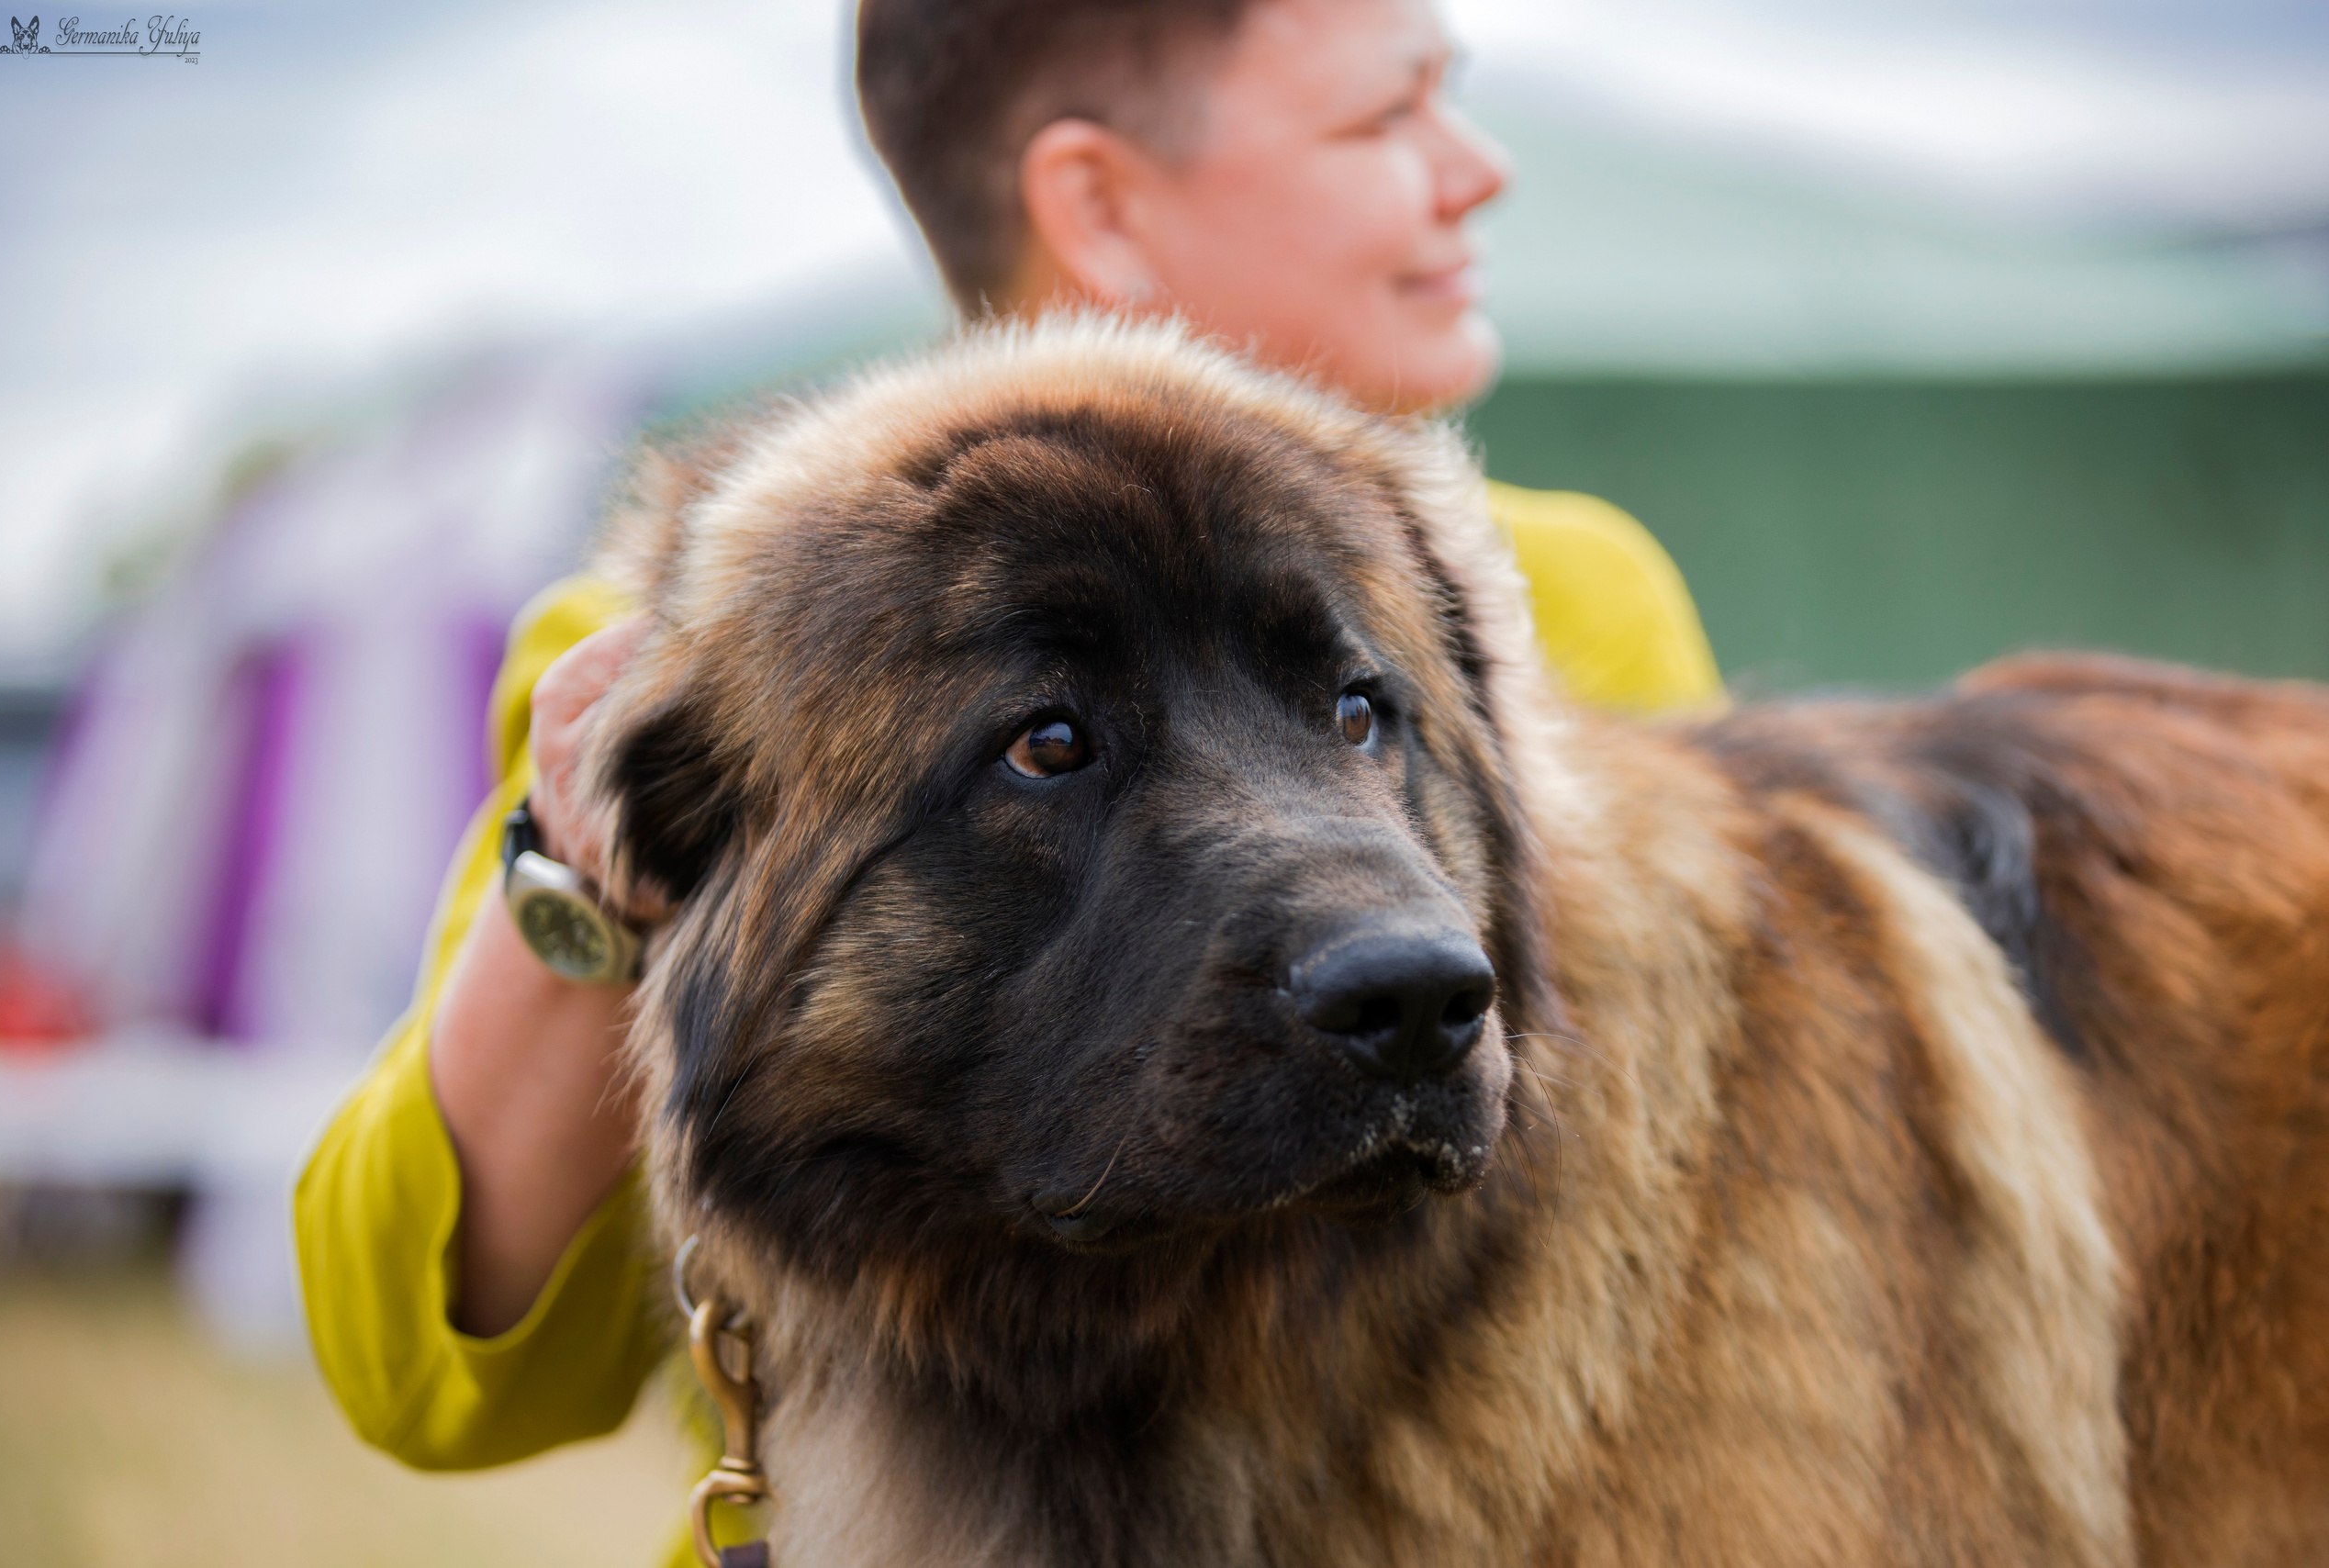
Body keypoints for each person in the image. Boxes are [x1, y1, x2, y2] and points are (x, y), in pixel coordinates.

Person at [295, 0, 1722, 1559]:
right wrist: (592, 866)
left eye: (1360, 713)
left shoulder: (1579, 596)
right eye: (1385, 120)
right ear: (1098, 202)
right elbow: (431, 1380)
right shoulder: (730, 645)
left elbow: (1701, 1226)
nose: (1476, 173)